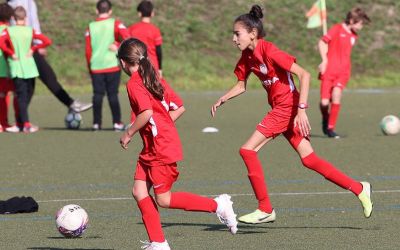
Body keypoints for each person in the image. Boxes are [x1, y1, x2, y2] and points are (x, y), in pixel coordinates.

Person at [210, 5, 373, 224]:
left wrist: (302, 110)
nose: (233, 38)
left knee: (247, 150)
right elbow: (241, 85)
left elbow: (304, 75)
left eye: (237, 33)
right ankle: (359, 188)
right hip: (283, 109)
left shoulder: (269, 50)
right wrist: (223, 98)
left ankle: (265, 208)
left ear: (252, 34)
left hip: (287, 108)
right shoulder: (246, 58)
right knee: (310, 160)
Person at [118, 38, 238, 250]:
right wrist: (161, 125)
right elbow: (179, 107)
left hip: (160, 147)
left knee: (163, 200)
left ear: (123, 63)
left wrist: (129, 132)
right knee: (139, 191)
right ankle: (158, 243)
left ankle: (218, 205)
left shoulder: (134, 82)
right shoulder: (153, 76)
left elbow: (146, 113)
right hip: (154, 145)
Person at [7, 0, 92, 115]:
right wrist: (36, 44)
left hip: (30, 46)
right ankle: (71, 103)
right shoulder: (17, 2)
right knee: (46, 77)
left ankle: (20, 119)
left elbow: (33, 21)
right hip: (25, 48)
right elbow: (27, 23)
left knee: (31, 86)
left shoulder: (27, 2)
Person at [318, 8, 370, 138]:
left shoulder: (354, 35)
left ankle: (330, 128)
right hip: (329, 71)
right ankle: (325, 117)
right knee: (324, 103)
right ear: (352, 21)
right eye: (360, 24)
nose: (361, 27)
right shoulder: (337, 28)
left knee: (336, 95)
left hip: (343, 72)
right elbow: (322, 42)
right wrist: (324, 61)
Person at [0, 6, 51, 132]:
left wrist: (10, 52)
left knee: (5, 95)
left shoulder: (9, 31)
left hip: (13, 67)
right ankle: (20, 123)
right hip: (18, 68)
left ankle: (6, 123)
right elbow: (47, 41)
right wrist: (32, 49)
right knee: (19, 95)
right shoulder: (20, 30)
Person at [85, 0, 128, 131]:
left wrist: (89, 67)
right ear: (110, 11)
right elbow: (129, 38)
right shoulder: (116, 24)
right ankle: (117, 123)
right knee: (113, 94)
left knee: (97, 95)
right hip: (112, 65)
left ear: (96, 11)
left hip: (96, 66)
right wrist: (118, 45)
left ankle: (96, 124)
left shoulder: (90, 27)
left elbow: (87, 51)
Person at [127, 0, 163, 124]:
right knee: (155, 92)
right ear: (152, 13)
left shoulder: (132, 29)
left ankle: (134, 121)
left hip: (136, 66)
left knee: (137, 94)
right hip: (152, 66)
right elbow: (159, 51)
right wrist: (160, 69)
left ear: (139, 13)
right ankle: (157, 118)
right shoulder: (155, 30)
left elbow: (126, 45)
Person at [0, 3, 18, 133]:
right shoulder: (9, 31)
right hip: (3, 68)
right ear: (10, 16)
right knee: (3, 95)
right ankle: (3, 123)